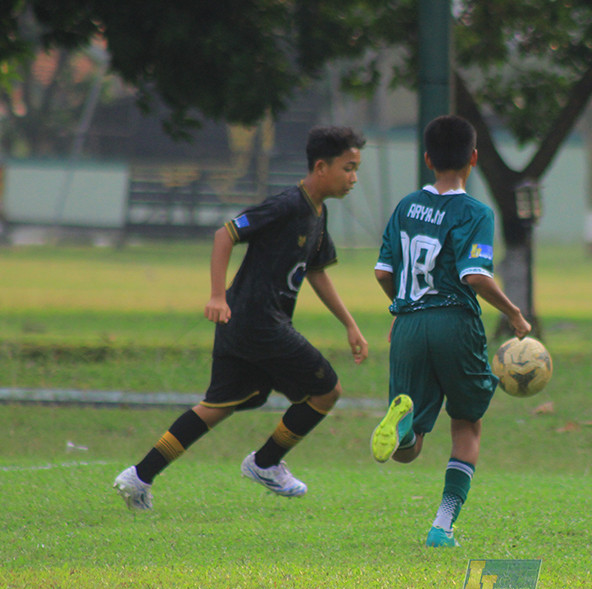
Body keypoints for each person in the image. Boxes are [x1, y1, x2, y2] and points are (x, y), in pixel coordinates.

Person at [113, 126, 370, 511]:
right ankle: (265, 463)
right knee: (326, 390)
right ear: (321, 167)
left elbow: (315, 271)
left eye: (356, 170)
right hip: (260, 323)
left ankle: (139, 476)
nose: (353, 178)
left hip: (244, 325)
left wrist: (350, 324)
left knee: (217, 406)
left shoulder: (318, 212)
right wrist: (216, 295)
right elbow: (225, 235)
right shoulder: (287, 205)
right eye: (348, 168)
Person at [370, 115, 531, 547]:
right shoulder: (475, 213)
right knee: (467, 423)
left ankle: (405, 427)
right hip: (454, 322)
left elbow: (383, 271)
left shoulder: (406, 207)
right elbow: (474, 275)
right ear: (474, 159)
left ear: (427, 159)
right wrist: (515, 314)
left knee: (410, 450)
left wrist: (402, 307)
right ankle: (442, 527)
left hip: (408, 323)